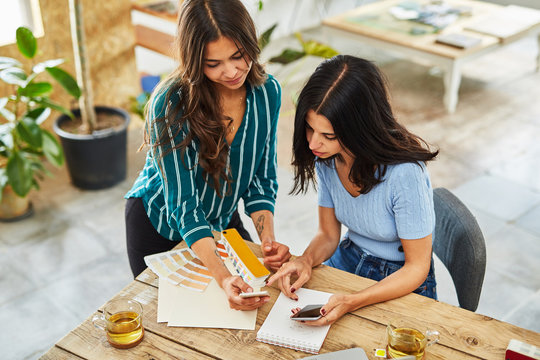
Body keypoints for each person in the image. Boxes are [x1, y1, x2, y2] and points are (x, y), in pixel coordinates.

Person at [125, 0, 291, 311]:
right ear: (193, 60)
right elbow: (183, 204)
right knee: (174, 322)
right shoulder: (169, 104)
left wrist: (267, 243)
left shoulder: (268, 92)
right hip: (161, 226)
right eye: (213, 64)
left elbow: (261, 180)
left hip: (221, 220)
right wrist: (223, 276)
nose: (231, 72)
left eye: (238, 56)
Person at [266, 55, 438, 325]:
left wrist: (353, 300)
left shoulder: (405, 174)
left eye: (329, 136)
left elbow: (417, 267)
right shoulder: (327, 159)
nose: (313, 143)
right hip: (349, 255)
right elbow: (328, 234)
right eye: (310, 129)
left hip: (400, 277)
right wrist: (305, 260)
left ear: (361, 128)